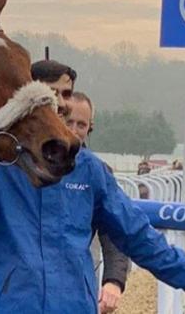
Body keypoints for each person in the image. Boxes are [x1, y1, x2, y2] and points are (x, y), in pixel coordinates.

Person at [0, 61, 185, 314]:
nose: (60, 102)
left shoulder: (90, 169)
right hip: (13, 305)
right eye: (50, 92)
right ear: (28, 95)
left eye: (67, 94)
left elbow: (133, 230)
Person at [66, 91, 130, 313]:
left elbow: (117, 230)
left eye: (81, 125)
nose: (73, 131)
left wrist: (113, 281)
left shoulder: (98, 172)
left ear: (90, 128)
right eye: (68, 122)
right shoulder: (20, 165)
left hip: (77, 289)